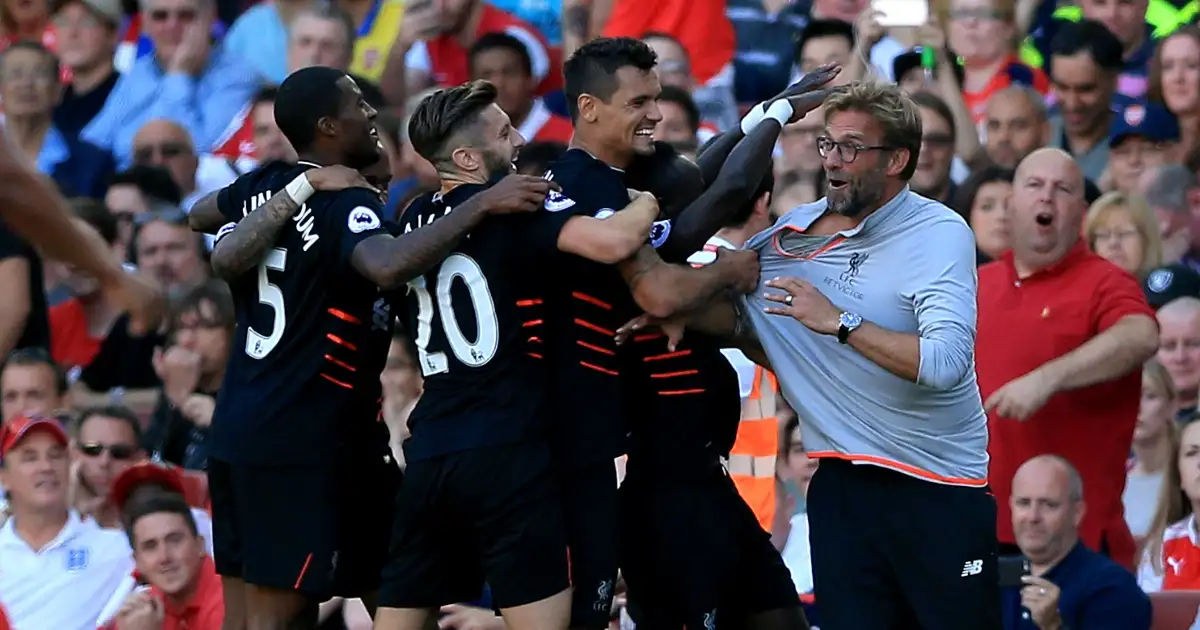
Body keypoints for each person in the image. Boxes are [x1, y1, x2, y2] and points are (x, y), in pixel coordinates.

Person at [191, 66, 554, 630]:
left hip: (303, 435)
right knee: (276, 618)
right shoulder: (350, 212)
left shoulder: (270, 184)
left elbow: (202, 214)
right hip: (300, 441)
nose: (384, 201)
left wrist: (298, 187)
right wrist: (481, 205)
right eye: (358, 105)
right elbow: (385, 264)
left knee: (399, 589)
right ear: (329, 128)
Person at [629, 79, 1000, 630]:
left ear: (897, 159)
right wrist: (663, 307)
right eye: (827, 144)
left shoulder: (939, 231)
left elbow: (944, 365)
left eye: (851, 147)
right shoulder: (782, 245)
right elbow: (733, 317)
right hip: (840, 491)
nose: (833, 160)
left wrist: (840, 323)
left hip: (939, 489)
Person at [374, 79, 656, 630]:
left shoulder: (411, 218)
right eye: (505, 132)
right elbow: (613, 242)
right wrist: (645, 196)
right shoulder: (516, 204)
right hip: (507, 451)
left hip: (429, 450)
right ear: (466, 156)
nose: (521, 139)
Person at [540, 37, 766, 628]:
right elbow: (660, 292)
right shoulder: (582, 188)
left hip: (637, 456)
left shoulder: (619, 187)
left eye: (658, 98)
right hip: (606, 457)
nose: (657, 114)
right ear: (589, 108)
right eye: (640, 101)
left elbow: (699, 194)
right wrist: (729, 270)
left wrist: (770, 115)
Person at [977, 148, 1159, 571]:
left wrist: (1047, 379)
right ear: (1010, 204)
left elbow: (1141, 335)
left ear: (1081, 211)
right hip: (981, 534)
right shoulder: (977, 283)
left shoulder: (1104, 281)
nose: (1047, 198)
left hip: (1077, 545)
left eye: (1062, 190)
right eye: (1034, 186)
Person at [1004, 455, 1151, 630]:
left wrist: (1053, 626)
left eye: (1049, 505)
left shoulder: (1112, 586)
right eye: (1024, 503)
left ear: (1077, 513)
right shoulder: (990, 576)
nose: (1033, 517)